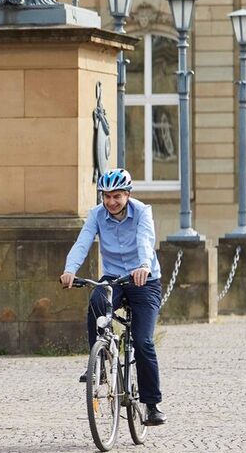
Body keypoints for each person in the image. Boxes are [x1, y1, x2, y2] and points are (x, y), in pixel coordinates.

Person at [59, 168, 167, 426]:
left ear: (128, 195)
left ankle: (152, 405)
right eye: (106, 196)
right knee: (96, 303)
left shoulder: (142, 212)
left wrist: (143, 265)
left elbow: (145, 240)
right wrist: (69, 270)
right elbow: (82, 242)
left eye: (116, 196)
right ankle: (99, 367)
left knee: (142, 341)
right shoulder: (96, 214)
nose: (111, 202)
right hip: (114, 278)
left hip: (144, 278)